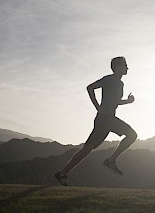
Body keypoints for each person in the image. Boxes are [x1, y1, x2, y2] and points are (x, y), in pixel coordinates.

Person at [54, 56, 138, 186]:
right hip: (105, 119)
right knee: (132, 135)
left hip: (107, 119)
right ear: (117, 67)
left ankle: (62, 173)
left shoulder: (120, 83)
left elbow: (114, 101)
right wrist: (98, 107)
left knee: (87, 149)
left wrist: (127, 101)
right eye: (125, 65)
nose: (127, 67)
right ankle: (111, 161)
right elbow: (90, 87)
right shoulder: (109, 79)